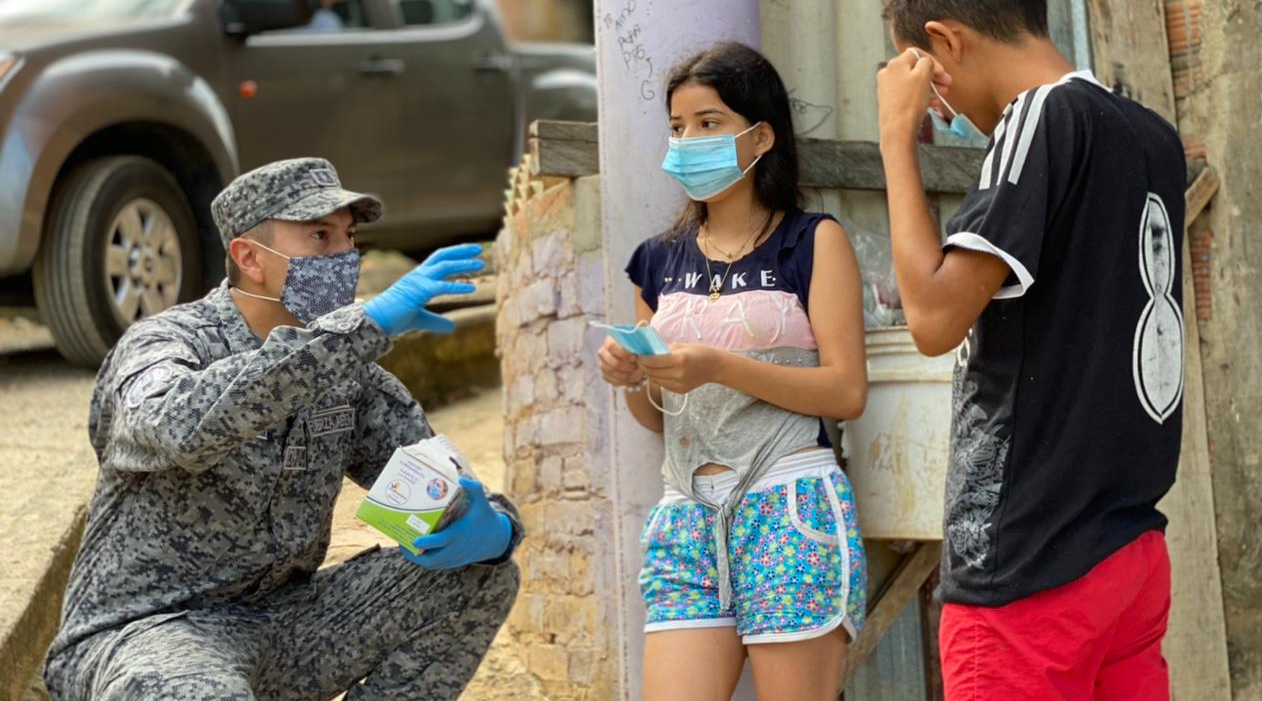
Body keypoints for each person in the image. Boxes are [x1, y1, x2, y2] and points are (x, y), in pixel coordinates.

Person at [43, 157, 521, 701]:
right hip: (149, 635)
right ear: (249, 258)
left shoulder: (352, 376)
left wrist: (491, 531)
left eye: (349, 235)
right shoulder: (166, 344)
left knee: (482, 577)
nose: (344, 255)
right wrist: (363, 328)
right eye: (320, 235)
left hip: (282, 626)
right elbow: (180, 428)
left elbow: (432, 494)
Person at [876, 0, 1185, 700]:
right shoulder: (1150, 136)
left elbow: (935, 319)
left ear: (944, 43)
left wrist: (893, 142)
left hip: (1032, 568)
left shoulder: (1038, 118)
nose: (938, 109)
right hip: (1127, 553)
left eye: (931, 84)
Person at [597, 42, 869, 701]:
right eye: (678, 126)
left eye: (709, 123)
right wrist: (635, 377)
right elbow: (656, 417)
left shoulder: (811, 241)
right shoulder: (655, 261)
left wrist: (721, 366)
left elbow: (845, 391)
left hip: (789, 505)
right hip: (686, 512)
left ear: (761, 137)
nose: (688, 140)